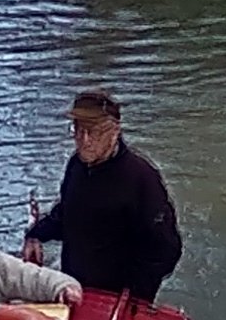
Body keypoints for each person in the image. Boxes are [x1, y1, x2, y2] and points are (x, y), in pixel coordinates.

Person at [32, 91, 182, 305]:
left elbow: (166, 249)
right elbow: (67, 215)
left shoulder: (142, 178)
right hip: (75, 290)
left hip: (119, 299)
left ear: (114, 132)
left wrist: (137, 297)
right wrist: (36, 234)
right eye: (78, 130)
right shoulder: (76, 166)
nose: (85, 140)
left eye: (94, 133)